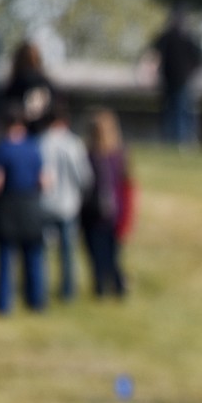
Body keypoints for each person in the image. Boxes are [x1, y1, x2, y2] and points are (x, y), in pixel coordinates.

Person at [0, 102, 47, 314]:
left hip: (8, 205)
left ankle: (3, 304)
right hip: (31, 204)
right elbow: (44, 181)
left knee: (6, 257)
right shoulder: (33, 147)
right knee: (34, 256)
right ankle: (36, 303)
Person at [39, 99, 92, 301]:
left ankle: (40, 289)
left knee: (42, 250)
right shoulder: (73, 144)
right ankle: (68, 291)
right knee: (68, 252)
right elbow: (83, 176)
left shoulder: (40, 142)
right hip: (68, 204)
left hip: (45, 203)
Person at [80, 108, 132, 298]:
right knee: (110, 254)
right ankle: (113, 286)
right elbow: (127, 188)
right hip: (110, 212)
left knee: (99, 254)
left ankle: (105, 286)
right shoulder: (118, 156)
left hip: (96, 213)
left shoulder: (92, 156)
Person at [149, 5, 202, 147]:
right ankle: (171, 142)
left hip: (183, 81)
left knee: (182, 111)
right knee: (171, 112)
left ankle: (182, 141)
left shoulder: (188, 39)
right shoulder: (166, 37)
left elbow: (198, 60)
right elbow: (154, 55)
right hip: (169, 81)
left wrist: (190, 73)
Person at [2, 40, 54, 135]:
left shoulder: (18, 82)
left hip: (20, 132)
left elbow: (8, 107)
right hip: (43, 131)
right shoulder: (46, 82)